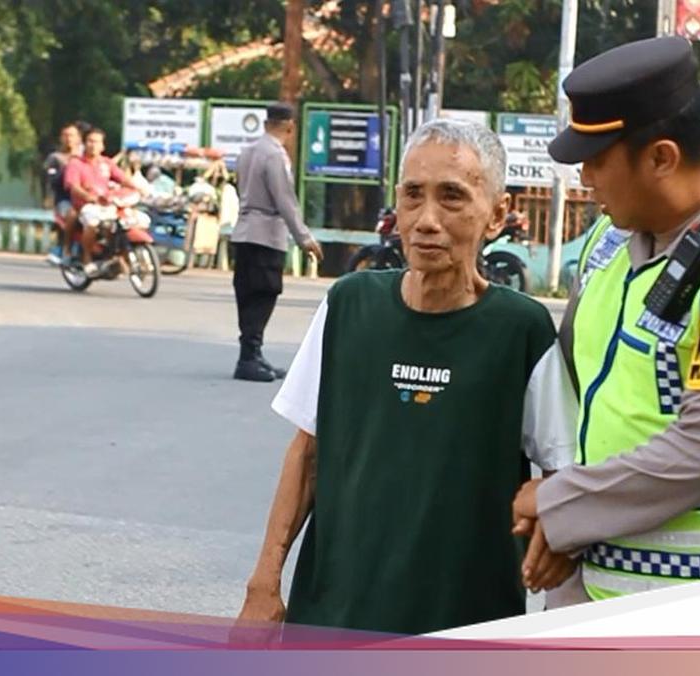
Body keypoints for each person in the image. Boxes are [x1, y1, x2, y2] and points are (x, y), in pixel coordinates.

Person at [511, 36, 700, 603]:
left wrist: (562, 504)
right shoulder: (608, 245)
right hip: (594, 592)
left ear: (661, 157)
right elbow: (587, 399)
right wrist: (572, 523)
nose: (585, 179)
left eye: (597, 161)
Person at [236, 119, 578, 636]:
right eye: (413, 195)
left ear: (497, 215)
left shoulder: (521, 331)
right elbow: (306, 455)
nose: (426, 220)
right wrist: (263, 583)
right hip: (332, 616)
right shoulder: (349, 305)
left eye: (453, 197)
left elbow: (562, 474)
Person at [230, 102, 324, 382]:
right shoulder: (275, 155)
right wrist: (303, 237)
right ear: (290, 126)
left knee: (246, 293)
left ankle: (252, 354)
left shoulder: (247, 152)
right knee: (264, 292)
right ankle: (249, 357)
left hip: (244, 228)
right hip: (267, 233)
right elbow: (284, 199)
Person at [62, 127, 139, 276]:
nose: (93, 145)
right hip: (86, 206)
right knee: (92, 223)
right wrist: (87, 196)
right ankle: (86, 258)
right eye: (90, 141)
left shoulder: (107, 163)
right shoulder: (76, 164)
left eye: (97, 142)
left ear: (102, 146)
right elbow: (73, 186)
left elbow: (123, 179)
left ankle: (117, 256)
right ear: (84, 144)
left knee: (125, 223)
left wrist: (138, 189)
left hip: (107, 205)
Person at [43, 122, 83, 265]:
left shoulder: (85, 158)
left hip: (87, 199)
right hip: (65, 200)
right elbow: (53, 182)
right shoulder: (55, 158)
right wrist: (69, 167)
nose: (69, 139)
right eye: (65, 135)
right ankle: (65, 248)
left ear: (79, 138)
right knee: (72, 215)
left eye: (72, 135)